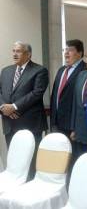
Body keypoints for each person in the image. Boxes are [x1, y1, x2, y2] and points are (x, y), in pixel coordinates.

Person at [0, 41, 48, 178]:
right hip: (10, 123)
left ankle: (31, 191)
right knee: (15, 162)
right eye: (13, 50)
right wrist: (4, 108)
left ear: (28, 54)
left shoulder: (40, 71)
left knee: (31, 162)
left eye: (19, 51)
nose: (15, 54)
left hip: (30, 124)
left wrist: (14, 107)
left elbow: (37, 93)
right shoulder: (6, 71)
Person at [50, 39, 86, 137]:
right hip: (56, 123)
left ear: (79, 53)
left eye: (70, 50)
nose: (66, 53)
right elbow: (55, 96)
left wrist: (76, 127)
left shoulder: (85, 71)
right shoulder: (61, 70)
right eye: (65, 50)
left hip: (72, 126)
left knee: (74, 152)